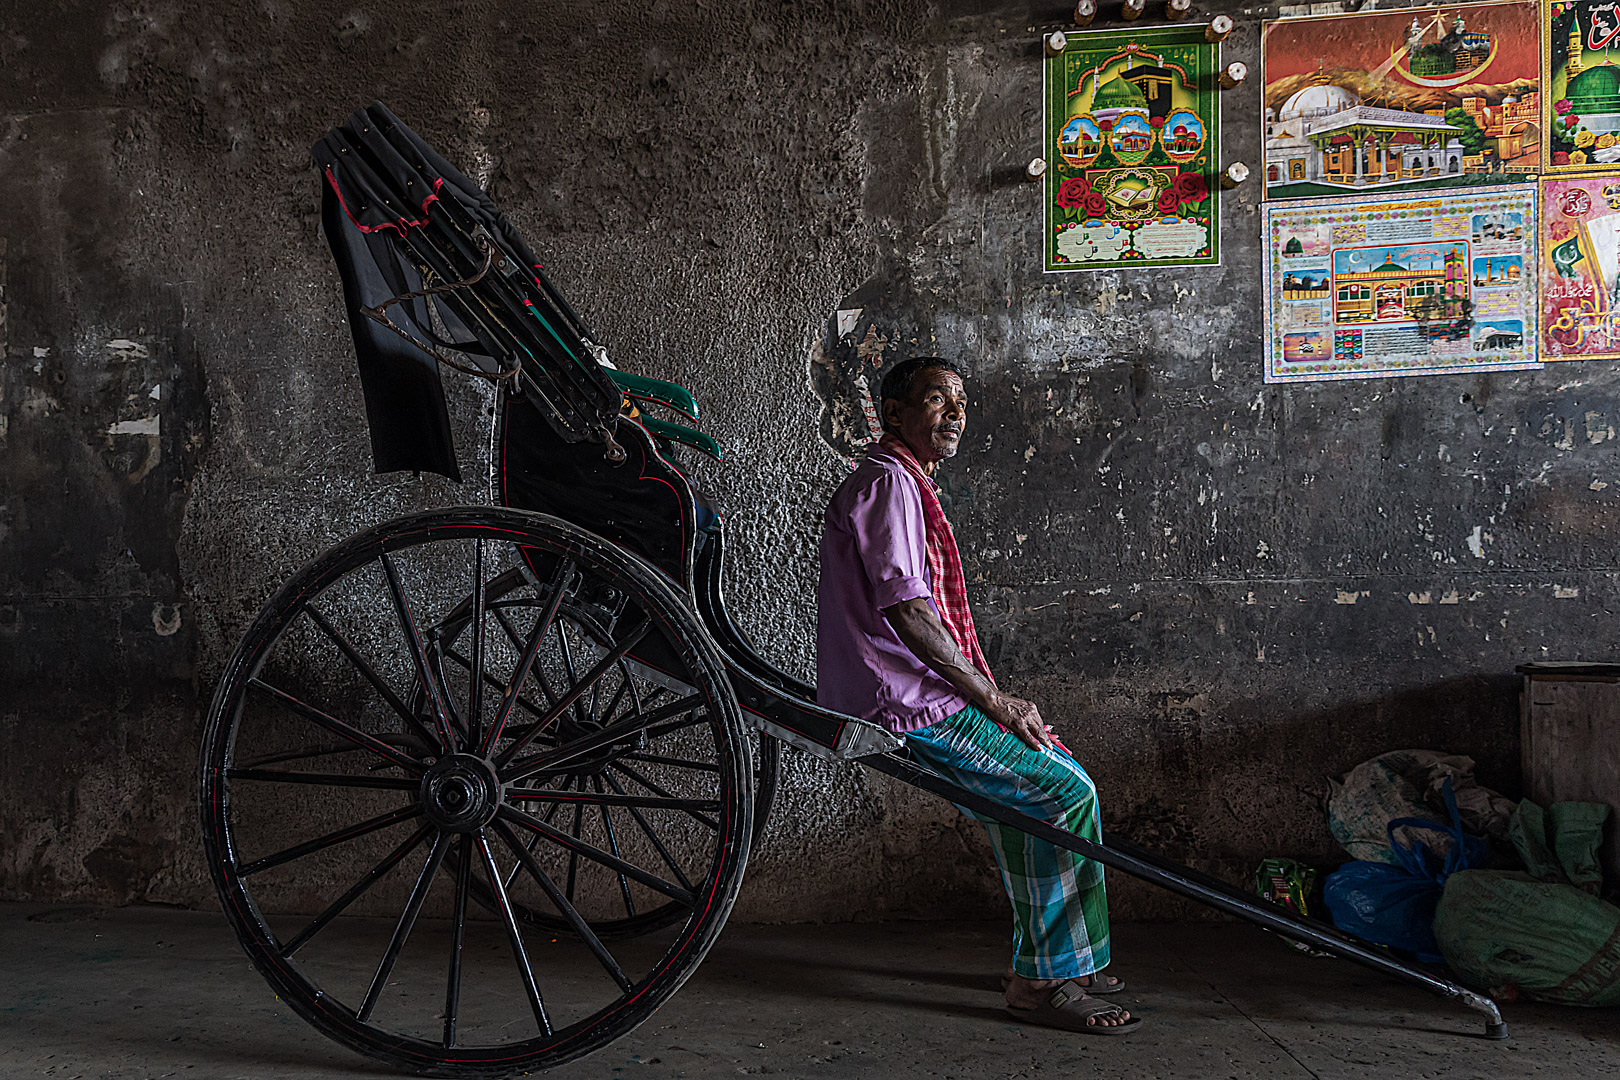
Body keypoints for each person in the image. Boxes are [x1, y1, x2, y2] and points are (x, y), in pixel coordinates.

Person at [816, 356, 1139, 1034]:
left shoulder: (905, 480)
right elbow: (907, 610)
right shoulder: (888, 484)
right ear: (896, 415)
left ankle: (1066, 958)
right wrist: (993, 698)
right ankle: (1041, 982)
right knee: (1059, 793)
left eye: (960, 402)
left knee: (1058, 784)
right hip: (901, 696)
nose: (955, 413)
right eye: (937, 400)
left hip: (917, 687)